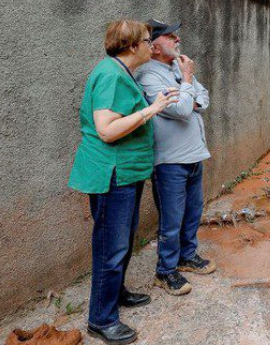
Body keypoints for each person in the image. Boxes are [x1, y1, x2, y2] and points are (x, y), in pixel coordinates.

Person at [68, 20, 179, 345]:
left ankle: (115, 294)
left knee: (123, 241)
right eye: (147, 41)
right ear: (132, 47)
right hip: (111, 174)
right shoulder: (111, 75)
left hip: (125, 173)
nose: (152, 45)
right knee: (111, 246)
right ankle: (100, 319)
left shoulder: (120, 73)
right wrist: (153, 109)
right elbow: (106, 129)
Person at [136, 19, 217, 297]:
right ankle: (165, 271)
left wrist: (187, 91)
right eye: (171, 37)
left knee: (193, 212)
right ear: (155, 45)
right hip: (169, 161)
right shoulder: (148, 75)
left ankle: (187, 256)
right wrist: (187, 84)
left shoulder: (177, 68)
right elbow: (182, 111)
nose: (177, 41)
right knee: (171, 220)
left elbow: (203, 98)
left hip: (194, 154)